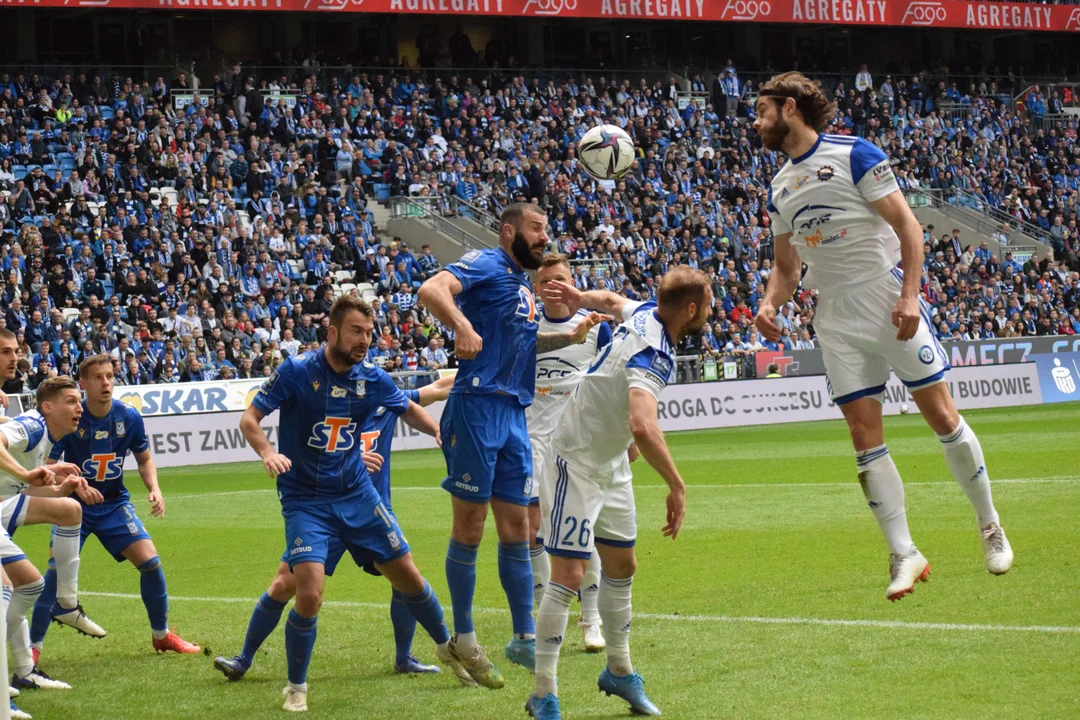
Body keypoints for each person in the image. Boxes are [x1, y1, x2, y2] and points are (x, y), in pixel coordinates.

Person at [751, 71, 1012, 602]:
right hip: (835, 316)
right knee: (863, 435)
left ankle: (989, 524)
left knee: (941, 416)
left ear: (791, 108)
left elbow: (909, 227)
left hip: (885, 297)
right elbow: (786, 266)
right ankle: (905, 552)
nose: (757, 122)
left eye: (762, 111)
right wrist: (769, 302)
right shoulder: (779, 186)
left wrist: (910, 295)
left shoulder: (855, 154)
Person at [238, 295, 474, 713]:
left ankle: (445, 649)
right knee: (307, 592)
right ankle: (296, 687)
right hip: (306, 502)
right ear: (331, 332)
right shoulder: (296, 372)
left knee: (410, 576)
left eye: (368, 332)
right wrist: (267, 453)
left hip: (357, 495)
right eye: (355, 332)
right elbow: (249, 420)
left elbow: (409, 408)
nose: (365, 340)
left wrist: (438, 433)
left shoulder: (372, 378)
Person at [416, 203, 606, 687]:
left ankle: (523, 636)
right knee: (471, 526)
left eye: (546, 229)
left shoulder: (522, 286)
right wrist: (461, 326)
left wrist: (567, 336)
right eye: (536, 229)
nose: (544, 237)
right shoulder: (484, 263)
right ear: (509, 231)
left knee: (519, 527)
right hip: (476, 407)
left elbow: (523, 345)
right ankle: (464, 635)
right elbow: (430, 288)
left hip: (512, 413)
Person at [526, 265, 709, 719]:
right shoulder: (655, 353)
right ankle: (543, 692)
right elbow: (643, 425)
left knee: (622, 563)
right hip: (576, 458)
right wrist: (676, 485)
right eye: (709, 302)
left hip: (610, 462)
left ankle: (619, 671)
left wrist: (575, 293)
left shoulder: (646, 311)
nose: (712, 309)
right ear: (690, 309)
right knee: (568, 574)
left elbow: (609, 301)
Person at [212, 375, 476, 685]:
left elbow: (437, 388)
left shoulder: (386, 400)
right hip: (326, 509)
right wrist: (348, 458)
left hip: (372, 509)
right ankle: (243, 659)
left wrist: (479, 364)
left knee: (405, 579)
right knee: (285, 582)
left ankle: (405, 657)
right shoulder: (328, 408)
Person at [36, 354, 200, 658]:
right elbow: (46, 466)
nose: (105, 383)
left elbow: (144, 458)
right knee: (55, 572)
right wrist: (73, 486)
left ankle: (161, 636)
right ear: (83, 384)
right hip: (72, 506)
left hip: (113, 504)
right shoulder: (71, 416)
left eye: (110, 376)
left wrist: (155, 488)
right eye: (97, 378)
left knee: (150, 562)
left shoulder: (129, 417)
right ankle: (33, 652)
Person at [526, 254, 614, 654]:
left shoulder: (598, 328)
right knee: (533, 534)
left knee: (583, 533)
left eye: (561, 278)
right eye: (546, 281)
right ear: (537, 288)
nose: (554, 286)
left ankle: (591, 618)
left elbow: (610, 386)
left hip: (580, 443)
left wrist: (620, 437)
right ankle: (545, 616)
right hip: (531, 441)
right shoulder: (526, 328)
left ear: (572, 281)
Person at [0, 375, 105, 693]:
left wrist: (61, 488)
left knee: (30, 584)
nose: (79, 408)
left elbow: (25, 486)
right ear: (47, 406)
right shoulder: (32, 426)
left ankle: (25, 669)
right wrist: (25, 472)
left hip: (3, 503)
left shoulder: (45, 437)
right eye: (72, 401)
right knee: (9, 587)